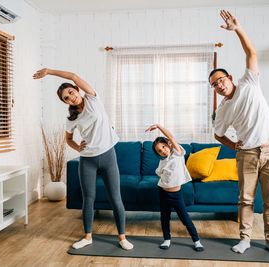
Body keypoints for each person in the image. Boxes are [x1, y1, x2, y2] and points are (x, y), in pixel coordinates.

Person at [209, 10, 269, 256]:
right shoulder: (222, 110)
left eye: (220, 80)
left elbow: (251, 53)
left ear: (230, 78)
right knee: (245, 200)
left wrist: (237, 29)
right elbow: (218, 135)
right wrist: (235, 147)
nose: (219, 86)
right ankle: (244, 239)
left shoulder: (249, 83)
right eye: (214, 85)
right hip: (247, 155)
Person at [33, 68, 133, 251]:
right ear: (65, 102)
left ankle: (122, 237)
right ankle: (88, 237)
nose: (71, 97)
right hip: (87, 161)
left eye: (71, 92)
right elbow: (68, 139)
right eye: (66, 98)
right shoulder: (71, 118)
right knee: (89, 199)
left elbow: (73, 76)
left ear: (76, 89)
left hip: (108, 156)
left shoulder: (93, 99)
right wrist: (79, 147)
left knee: (115, 198)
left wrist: (48, 71)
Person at [145, 124, 204, 252]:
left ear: (168, 144)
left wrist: (158, 126)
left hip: (175, 195)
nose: (163, 151)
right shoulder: (163, 161)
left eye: (163, 147)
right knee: (164, 217)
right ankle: (167, 239)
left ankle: (196, 241)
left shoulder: (178, 153)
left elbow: (170, 136)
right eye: (159, 151)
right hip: (163, 192)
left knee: (185, 218)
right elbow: (160, 173)